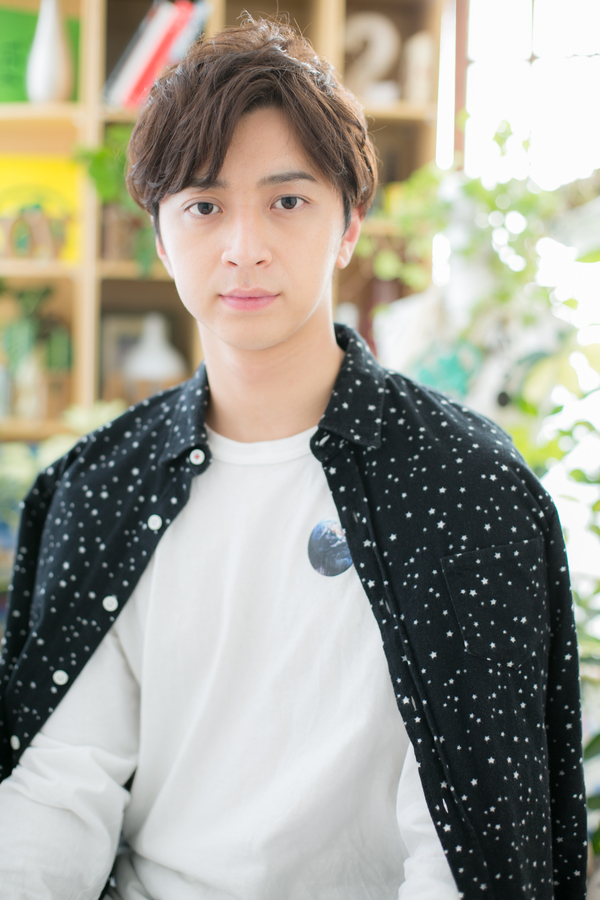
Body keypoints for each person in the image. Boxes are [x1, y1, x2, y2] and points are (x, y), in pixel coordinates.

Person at [0, 17, 587, 900]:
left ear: (349, 225)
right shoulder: (101, 487)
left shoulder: (466, 488)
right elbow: (62, 784)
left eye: (287, 201)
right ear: (160, 238)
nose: (244, 247)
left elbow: (468, 842)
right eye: (204, 206)